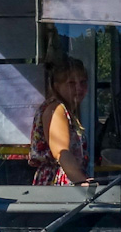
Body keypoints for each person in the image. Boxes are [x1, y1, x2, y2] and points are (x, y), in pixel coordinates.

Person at [29, 57, 91, 185]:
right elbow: (61, 153)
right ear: (57, 86)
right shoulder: (56, 109)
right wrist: (82, 183)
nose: (79, 88)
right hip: (59, 184)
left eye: (83, 82)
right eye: (71, 83)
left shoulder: (67, 110)